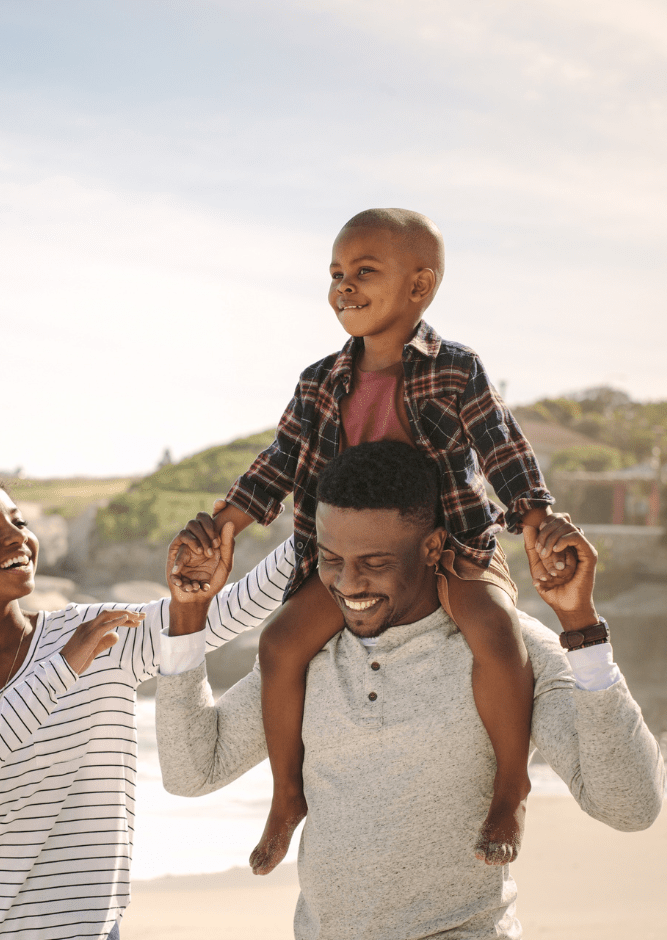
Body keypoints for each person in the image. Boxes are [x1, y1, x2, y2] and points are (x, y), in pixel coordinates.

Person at [172, 208, 575, 873]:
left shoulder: (454, 370)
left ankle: (510, 788)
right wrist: (227, 524)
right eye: (335, 274)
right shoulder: (320, 379)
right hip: (354, 562)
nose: (344, 287)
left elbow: (501, 447)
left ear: (420, 287)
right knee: (278, 644)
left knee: (496, 633)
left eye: (364, 272)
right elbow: (278, 460)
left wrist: (536, 516)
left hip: (450, 547)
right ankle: (286, 797)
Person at [157, 441, 663, 940]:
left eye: (375, 563)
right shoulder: (306, 656)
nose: (349, 584)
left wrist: (580, 623)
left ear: (430, 547)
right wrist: (187, 614)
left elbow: (630, 806)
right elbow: (192, 772)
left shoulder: (508, 651)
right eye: (332, 559)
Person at [0, 445, 296, 940]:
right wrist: (61, 668)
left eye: (18, 522)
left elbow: (229, 609)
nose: (18, 537)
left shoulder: (98, 631)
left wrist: (324, 525)